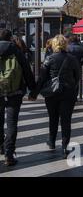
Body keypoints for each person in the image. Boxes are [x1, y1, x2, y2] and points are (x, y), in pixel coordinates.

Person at [31, 35, 80, 159]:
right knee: (66, 120)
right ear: (65, 45)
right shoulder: (72, 59)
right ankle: (65, 147)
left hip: (52, 94)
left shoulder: (49, 59)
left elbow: (42, 78)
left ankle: (52, 142)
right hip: (68, 93)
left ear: (54, 45)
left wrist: (34, 93)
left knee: (53, 118)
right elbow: (77, 76)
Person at [0, 29, 36, 166]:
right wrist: (33, 89)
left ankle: (1, 146)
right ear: (10, 38)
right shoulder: (16, 51)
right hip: (15, 92)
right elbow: (27, 70)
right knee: (11, 123)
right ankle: (9, 154)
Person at [66, 34, 83, 98]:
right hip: (78, 66)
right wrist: (81, 63)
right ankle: (75, 95)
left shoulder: (67, 48)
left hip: (68, 67)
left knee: (68, 81)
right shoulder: (81, 48)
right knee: (76, 81)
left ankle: (70, 95)